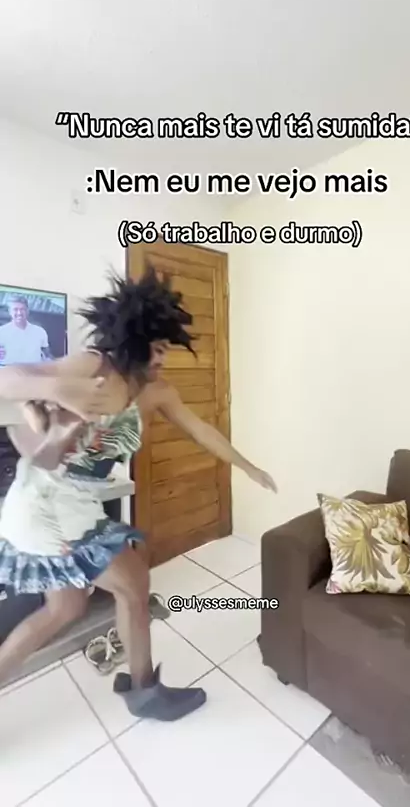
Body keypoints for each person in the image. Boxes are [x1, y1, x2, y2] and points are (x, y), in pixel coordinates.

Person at [0, 268, 277, 721]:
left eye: (168, 348)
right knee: (133, 584)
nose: (164, 358)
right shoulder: (94, 367)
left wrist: (247, 466)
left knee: (65, 608)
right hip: (46, 505)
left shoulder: (156, 392)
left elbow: (201, 430)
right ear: (135, 339)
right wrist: (52, 387)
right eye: (159, 347)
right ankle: (145, 690)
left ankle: (142, 686)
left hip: (68, 503)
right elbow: (8, 378)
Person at [0, 295, 51, 365]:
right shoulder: (2, 332)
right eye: (15, 309)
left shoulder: (40, 331)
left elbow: (47, 355)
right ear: (10, 311)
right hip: (10, 370)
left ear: (27, 311)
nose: (19, 313)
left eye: (22, 309)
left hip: (34, 371)